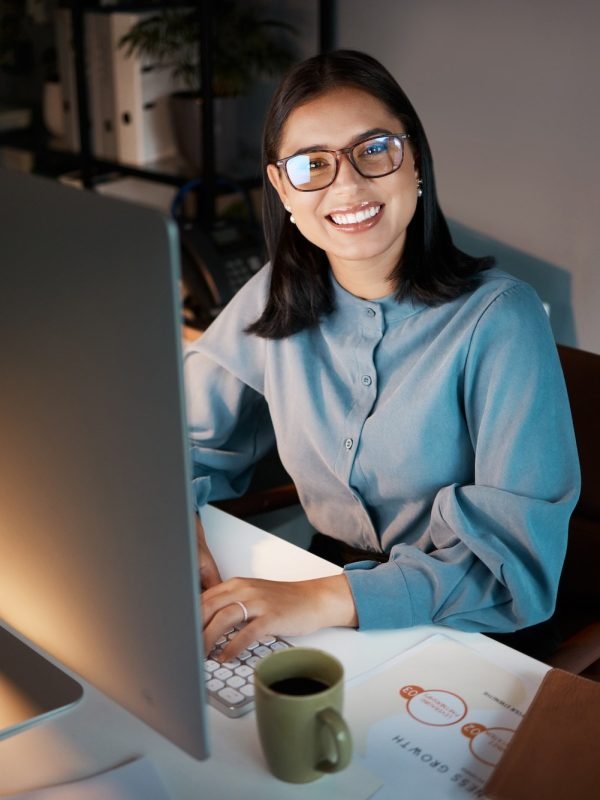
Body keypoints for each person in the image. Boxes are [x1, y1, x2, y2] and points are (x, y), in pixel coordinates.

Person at [184, 49, 580, 663]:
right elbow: (178, 441)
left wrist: (323, 599)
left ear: (414, 159)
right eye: (312, 164)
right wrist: (178, 522)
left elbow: (515, 569)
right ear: (282, 188)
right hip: (325, 591)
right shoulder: (274, 294)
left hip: (472, 630)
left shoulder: (502, 319)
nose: (347, 185)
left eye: (373, 150)